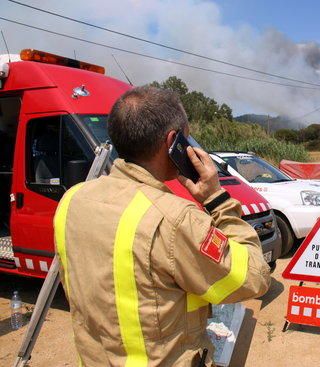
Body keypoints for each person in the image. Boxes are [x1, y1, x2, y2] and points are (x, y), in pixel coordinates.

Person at [54, 86, 271, 366]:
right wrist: (217, 200)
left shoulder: (72, 201)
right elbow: (255, 277)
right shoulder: (175, 218)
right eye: (187, 136)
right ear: (173, 141)